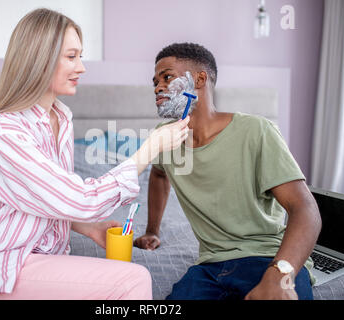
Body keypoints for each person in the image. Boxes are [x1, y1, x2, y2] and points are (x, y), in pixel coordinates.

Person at [0, 9, 190, 300]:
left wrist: (86, 226)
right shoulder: (5, 131)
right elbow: (79, 198)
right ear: (39, 59)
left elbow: (43, 196)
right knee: (133, 280)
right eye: (71, 56)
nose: (81, 67)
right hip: (7, 265)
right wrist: (150, 148)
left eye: (80, 56)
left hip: (44, 257)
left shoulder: (61, 118)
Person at [134, 42, 322, 300]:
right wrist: (153, 230)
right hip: (208, 269)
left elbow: (306, 211)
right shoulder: (163, 138)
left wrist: (280, 274)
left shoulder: (257, 131)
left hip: (267, 258)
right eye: (154, 82)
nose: (157, 87)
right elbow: (158, 174)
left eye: (167, 77)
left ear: (199, 79)